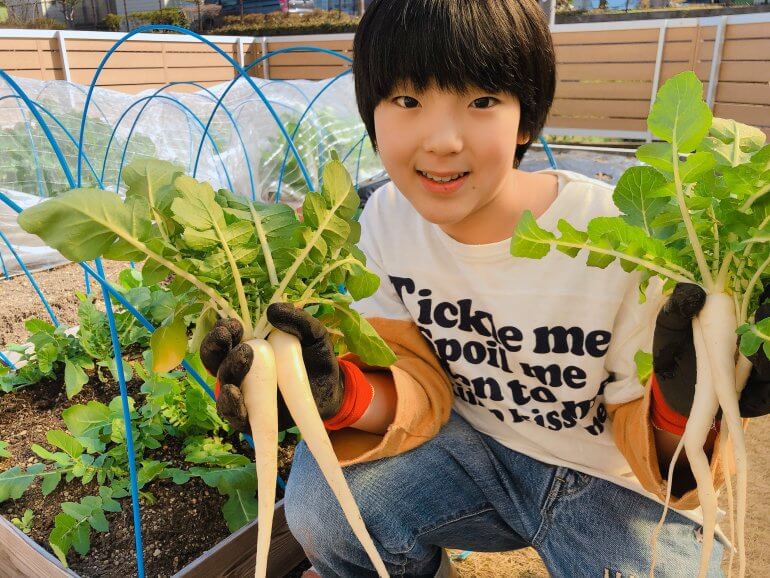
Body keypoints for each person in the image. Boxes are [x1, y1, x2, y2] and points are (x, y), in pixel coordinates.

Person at [200, 1, 770, 576]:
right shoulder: (382, 223)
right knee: (325, 507)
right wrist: (337, 395)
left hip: (615, 488)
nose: (442, 140)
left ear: (525, 119)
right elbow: (416, 381)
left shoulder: (619, 243)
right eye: (407, 100)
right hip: (471, 457)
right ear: (372, 115)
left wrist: (680, 406)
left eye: (481, 101)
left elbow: (659, 452)